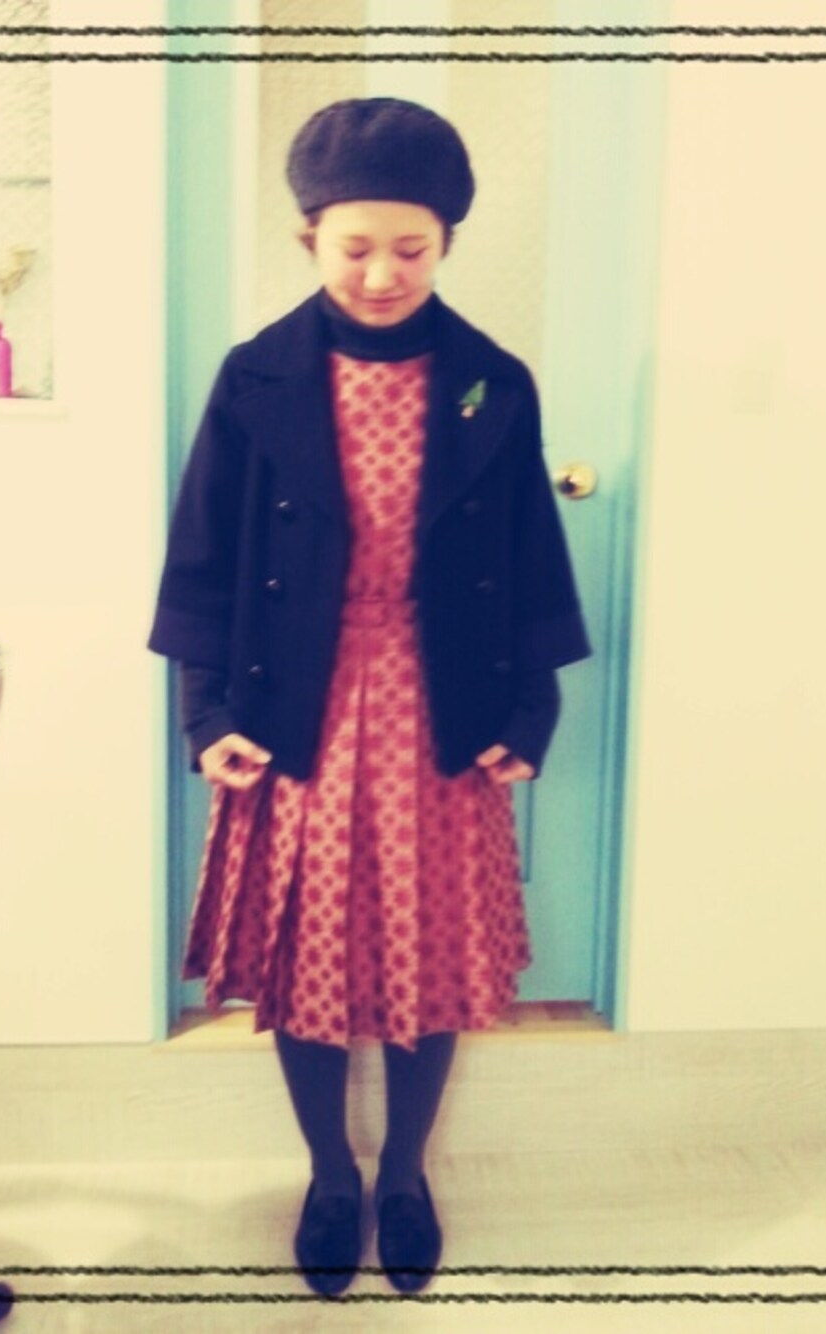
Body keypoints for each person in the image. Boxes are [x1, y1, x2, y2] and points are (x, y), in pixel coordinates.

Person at [148, 97, 590, 1297]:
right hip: (289, 703)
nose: (383, 273)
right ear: (309, 238)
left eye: (411, 246)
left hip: (441, 704)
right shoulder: (255, 377)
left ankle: (403, 1173)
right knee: (305, 954)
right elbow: (203, 555)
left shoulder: (491, 383)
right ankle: (328, 1175)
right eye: (355, 247)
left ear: (445, 241)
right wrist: (204, 712)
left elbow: (531, 554)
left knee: (428, 949)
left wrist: (530, 713)